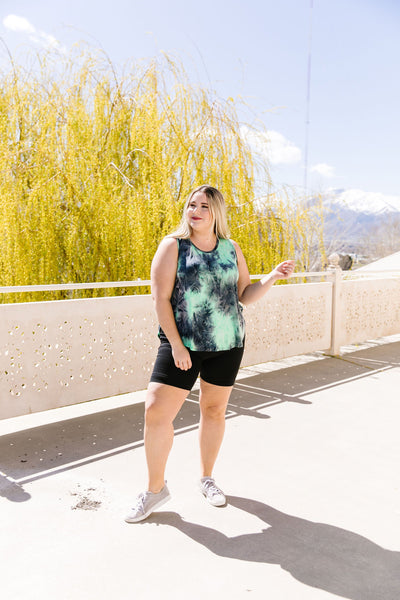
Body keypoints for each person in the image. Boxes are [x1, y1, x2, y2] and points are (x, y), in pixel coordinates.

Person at [125, 185, 295, 523]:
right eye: (191, 204)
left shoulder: (231, 248)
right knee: (156, 412)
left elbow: (245, 295)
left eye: (204, 205)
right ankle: (155, 490)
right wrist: (175, 345)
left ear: (216, 212)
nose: (196, 210)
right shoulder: (173, 246)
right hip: (182, 345)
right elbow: (160, 299)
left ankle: (207, 478)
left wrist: (273, 277)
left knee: (214, 411)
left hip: (228, 344)